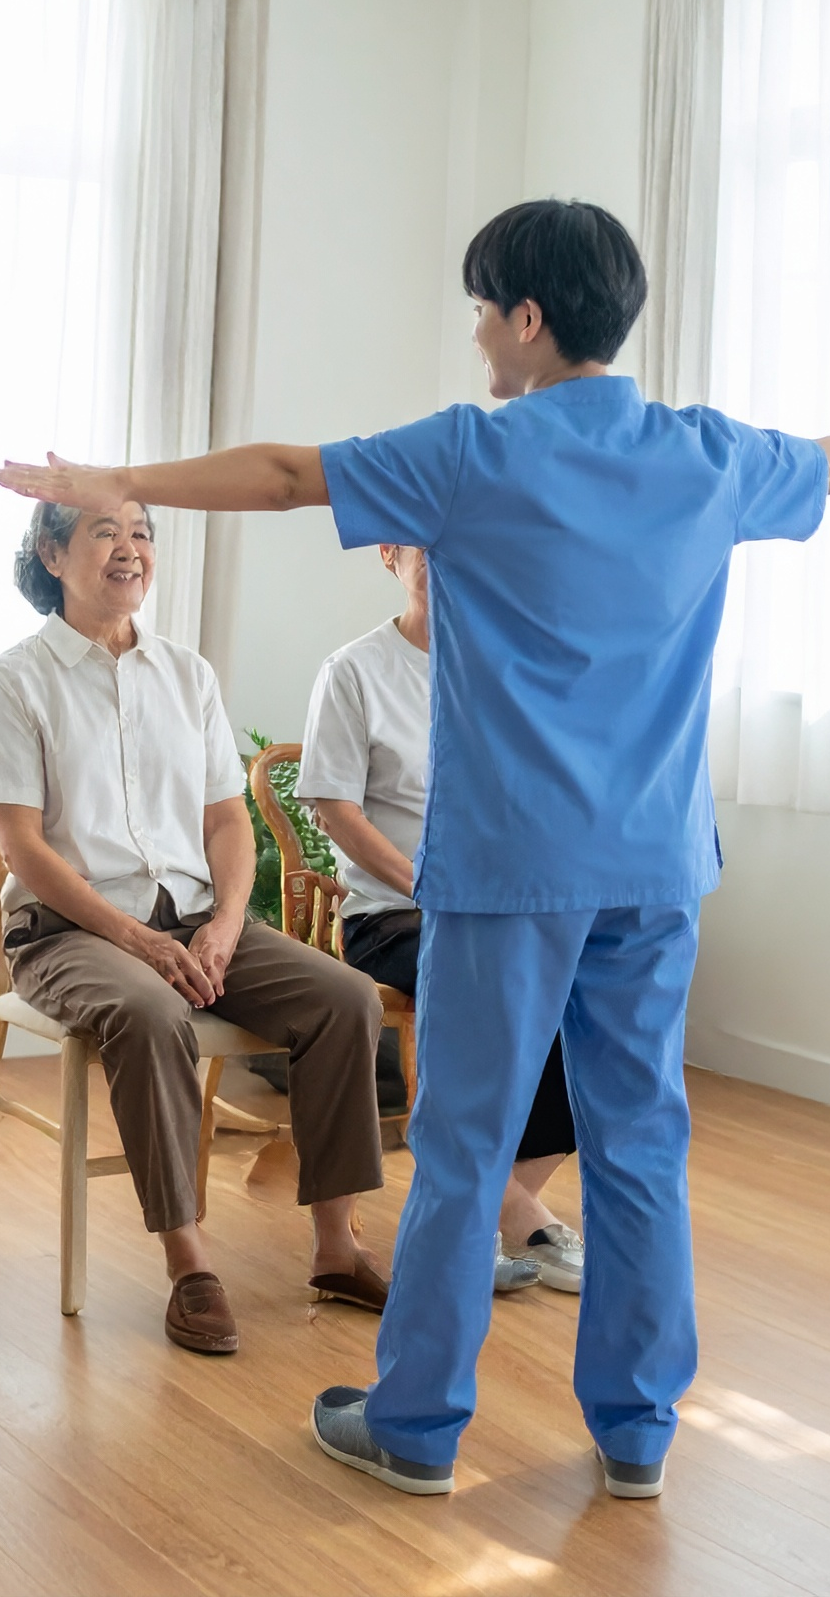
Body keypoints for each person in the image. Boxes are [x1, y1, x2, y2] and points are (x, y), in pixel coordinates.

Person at [0, 197, 830, 1499]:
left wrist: (118, 483)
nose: (474, 337)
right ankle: (636, 1434)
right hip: (655, 868)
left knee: (463, 1141)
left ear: (525, 317)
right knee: (640, 1142)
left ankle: (416, 1426)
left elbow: (287, 477)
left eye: (479, 310)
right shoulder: (707, 454)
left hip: (511, 870)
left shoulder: (474, 455)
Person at [0, 499, 388, 1354]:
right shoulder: (15, 680)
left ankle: (337, 1247)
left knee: (343, 999)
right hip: (65, 931)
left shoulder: (187, 674)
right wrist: (135, 940)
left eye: (142, 533)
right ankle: (190, 1261)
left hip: (195, 916)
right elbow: (23, 848)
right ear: (52, 552)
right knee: (151, 1012)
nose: (130, 550)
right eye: (104, 532)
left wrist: (228, 922)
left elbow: (226, 821)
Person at [298, 543, 583, 1296]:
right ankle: (487, 1217)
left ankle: (499, 1206)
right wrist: (429, 886)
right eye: (419, 541)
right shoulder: (353, 670)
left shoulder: (505, 667)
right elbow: (334, 808)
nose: (442, 556)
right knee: (489, 984)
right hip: (395, 915)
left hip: (498, 906)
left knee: (592, 990)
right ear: (389, 556)